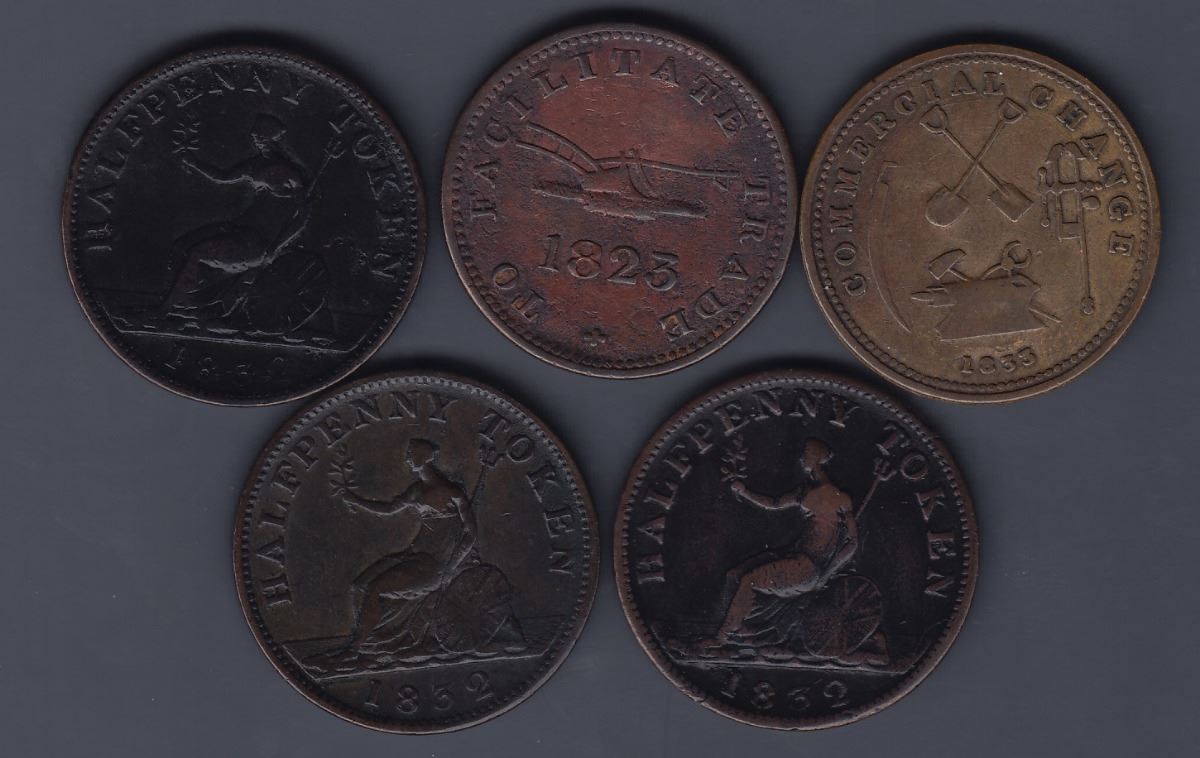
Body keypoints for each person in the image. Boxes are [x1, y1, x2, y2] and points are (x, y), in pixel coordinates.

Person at [158, 113, 313, 326]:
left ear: (272, 138)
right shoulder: (254, 165)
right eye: (255, 135)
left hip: (258, 243)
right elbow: (223, 176)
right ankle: (191, 305)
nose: (255, 138)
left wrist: (275, 247)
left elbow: (301, 218)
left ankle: (168, 309)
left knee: (197, 252)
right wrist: (194, 163)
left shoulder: (291, 174)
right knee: (181, 246)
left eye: (260, 134)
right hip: (238, 230)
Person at [714, 438, 858, 646]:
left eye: (806, 454)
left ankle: (724, 636)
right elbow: (774, 503)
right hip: (797, 561)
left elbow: (852, 544)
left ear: (815, 459)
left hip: (806, 569)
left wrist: (826, 574)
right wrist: (744, 491)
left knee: (749, 580)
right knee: (735, 574)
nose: (802, 458)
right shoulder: (809, 492)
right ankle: (741, 628)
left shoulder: (836, 498)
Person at [336, 438, 479, 649]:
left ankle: (355, 648)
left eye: (411, 453)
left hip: (433, 565)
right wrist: (355, 499)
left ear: (425, 457)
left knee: (374, 588)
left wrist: (451, 567)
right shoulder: (416, 490)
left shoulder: (453, 492)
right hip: (413, 555)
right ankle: (368, 640)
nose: (407, 459)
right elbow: (389, 509)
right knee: (358, 586)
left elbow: (471, 533)